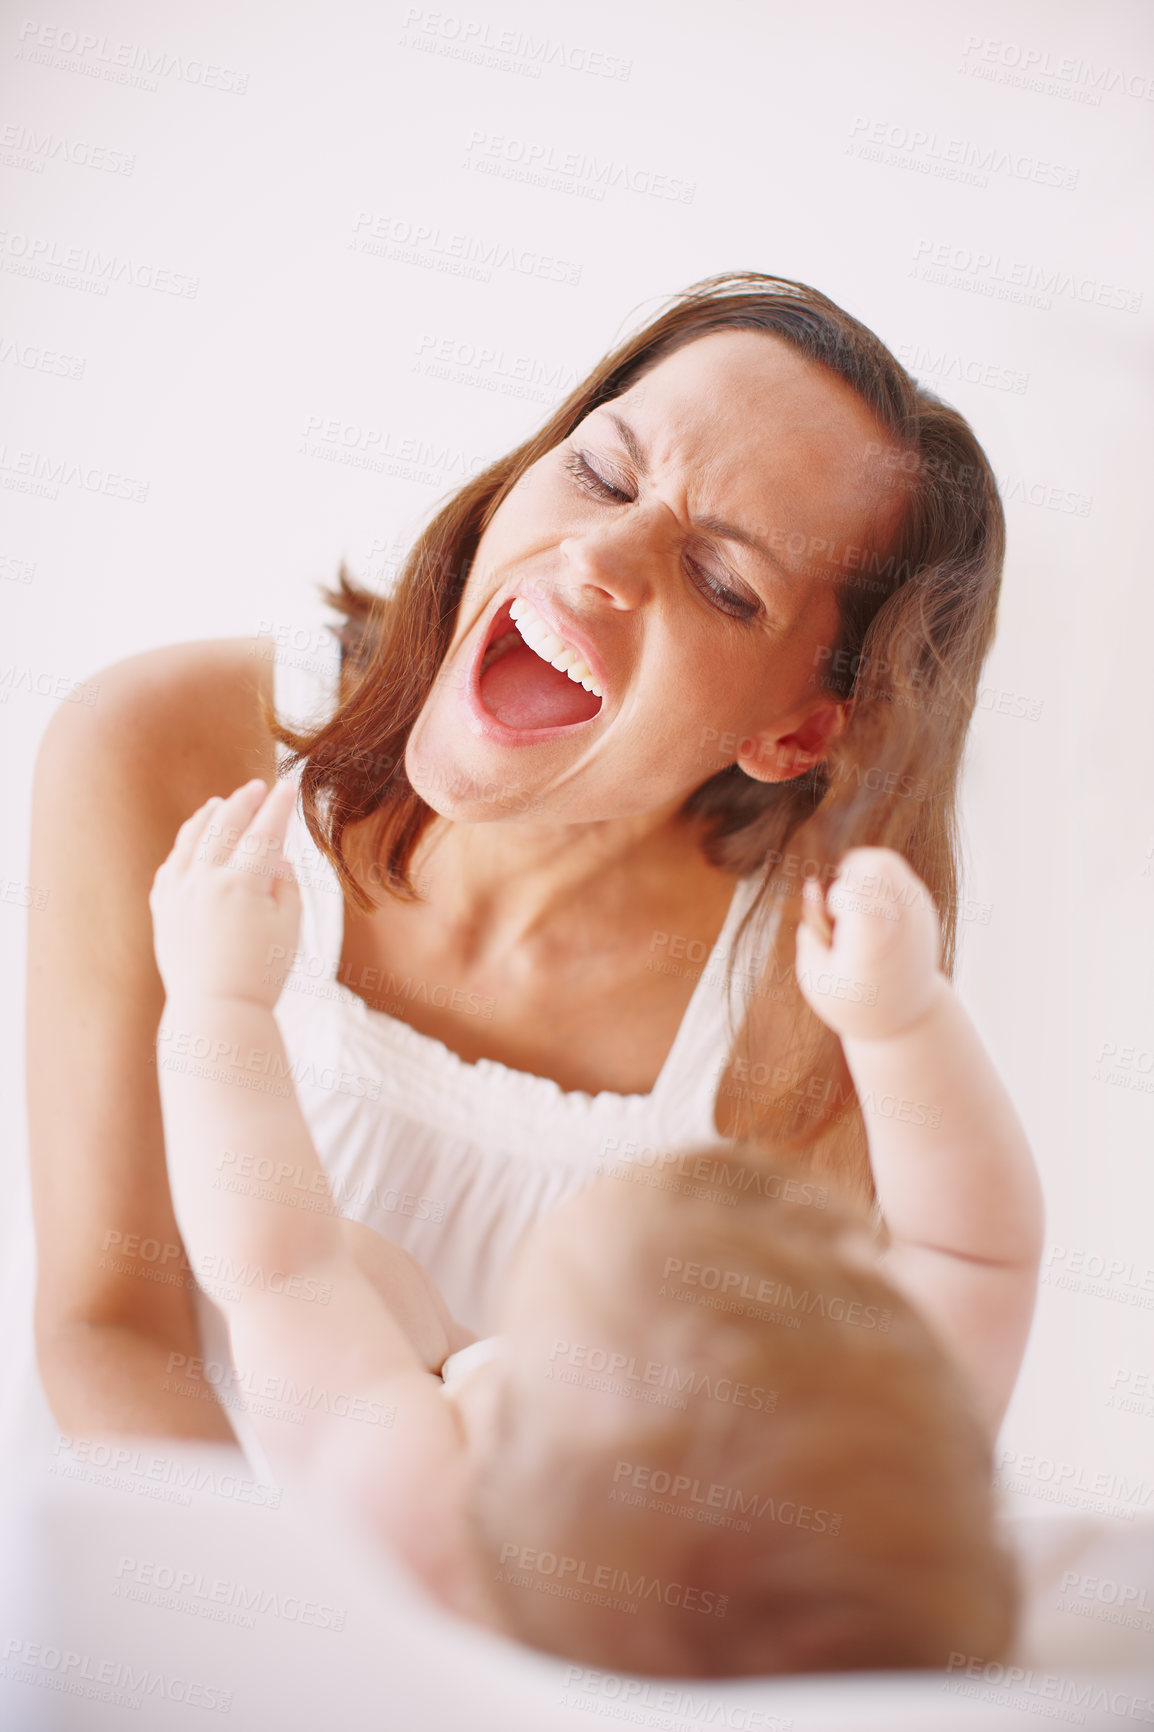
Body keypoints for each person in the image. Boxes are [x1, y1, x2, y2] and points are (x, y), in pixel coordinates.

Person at [27, 271, 1018, 1439]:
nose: (600, 552)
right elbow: (107, 1328)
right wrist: (253, 1614)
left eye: (719, 581)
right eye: (601, 471)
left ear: (795, 731)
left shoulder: (808, 1017)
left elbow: (741, 1478)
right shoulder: (161, 746)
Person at [143, 776, 1036, 1676]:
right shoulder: (876, 1512)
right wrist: (899, 1019)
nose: (484, 1335)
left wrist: (217, 999)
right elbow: (971, 1251)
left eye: (517, 1347)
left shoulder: (432, 1548)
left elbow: (281, 1269)